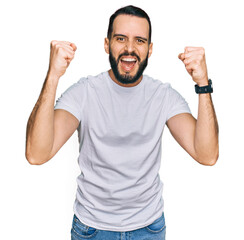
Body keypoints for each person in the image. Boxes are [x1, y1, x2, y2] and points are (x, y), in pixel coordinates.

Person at [25, 5, 219, 240]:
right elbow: (37, 153)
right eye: (120, 39)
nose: (129, 48)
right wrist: (53, 76)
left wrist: (202, 85)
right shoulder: (84, 93)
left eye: (139, 40)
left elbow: (207, 155)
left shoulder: (163, 96)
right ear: (107, 44)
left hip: (149, 228)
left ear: (149, 49)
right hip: (91, 228)